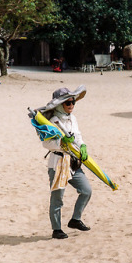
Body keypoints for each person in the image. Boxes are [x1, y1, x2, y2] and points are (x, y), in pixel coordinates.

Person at [42, 87, 92, 239]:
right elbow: (46, 144)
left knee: (86, 190)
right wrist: (61, 142)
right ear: (59, 105)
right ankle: (56, 229)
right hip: (58, 163)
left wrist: (82, 145)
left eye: (73, 102)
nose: (71, 105)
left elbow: (77, 135)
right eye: (67, 103)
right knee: (57, 198)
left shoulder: (72, 118)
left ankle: (75, 219)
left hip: (73, 162)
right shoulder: (51, 122)